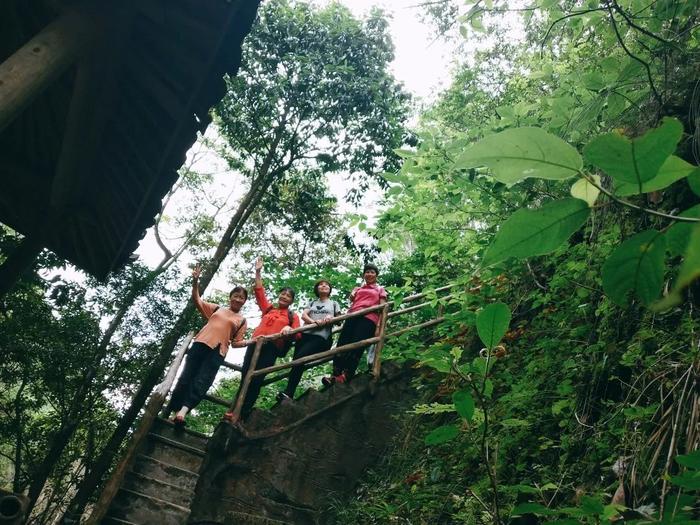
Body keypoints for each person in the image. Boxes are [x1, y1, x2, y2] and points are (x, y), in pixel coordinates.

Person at [167, 265, 248, 426]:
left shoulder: (242, 320)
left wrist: (255, 340)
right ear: (230, 296)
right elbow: (197, 300)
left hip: (218, 351)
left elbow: (237, 343)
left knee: (202, 380)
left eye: (242, 298)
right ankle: (173, 411)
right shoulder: (217, 308)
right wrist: (195, 281)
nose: (238, 299)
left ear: (245, 301)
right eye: (236, 296)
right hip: (200, 343)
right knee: (185, 377)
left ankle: (183, 411)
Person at [235, 256, 301, 418]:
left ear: (291, 301)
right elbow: (259, 293)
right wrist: (258, 272)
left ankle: (243, 412)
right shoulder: (269, 309)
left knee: (256, 379)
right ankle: (233, 410)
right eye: (283, 294)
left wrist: (288, 329)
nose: (284, 297)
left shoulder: (292, 316)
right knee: (245, 377)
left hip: (271, 349)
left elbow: (298, 334)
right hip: (254, 345)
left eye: (288, 296)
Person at [276, 279, 341, 402]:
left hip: (321, 338)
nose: (324, 286)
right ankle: (289, 393)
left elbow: (339, 320)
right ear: (317, 289)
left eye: (326, 285)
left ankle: (289, 393)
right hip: (305, 335)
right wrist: (314, 322)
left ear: (329, 289)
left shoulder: (333, 303)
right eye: (321, 285)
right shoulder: (312, 302)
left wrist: (330, 318)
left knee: (300, 358)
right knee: (297, 362)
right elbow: (304, 315)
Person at [323, 263, 387, 385]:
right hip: (352, 316)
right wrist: (354, 293)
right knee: (342, 344)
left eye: (372, 272)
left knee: (357, 345)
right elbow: (352, 301)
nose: (369, 274)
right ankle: (335, 374)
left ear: (376, 275)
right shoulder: (358, 289)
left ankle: (347, 374)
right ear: (364, 275)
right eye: (367, 272)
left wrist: (379, 327)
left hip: (369, 319)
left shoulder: (380, 289)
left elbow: (383, 309)